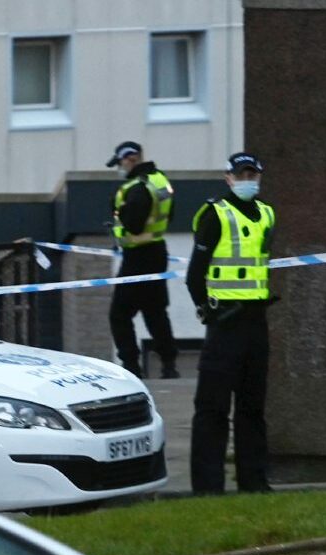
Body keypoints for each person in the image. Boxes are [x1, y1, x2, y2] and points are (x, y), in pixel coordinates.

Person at [187, 152, 278, 495]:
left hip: (256, 321)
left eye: (252, 174)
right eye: (240, 175)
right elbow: (195, 274)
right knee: (212, 408)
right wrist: (205, 311)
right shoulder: (215, 213)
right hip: (224, 322)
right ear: (228, 178)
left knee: (253, 408)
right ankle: (208, 488)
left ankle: (254, 482)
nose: (247, 180)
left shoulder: (267, 214)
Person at [106, 141, 179, 379]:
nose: (120, 167)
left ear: (130, 159)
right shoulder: (160, 181)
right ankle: (169, 365)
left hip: (137, 257)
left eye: (120, 162)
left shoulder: (137, 188)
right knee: (155, 311)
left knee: (119, 314)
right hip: (158, 252)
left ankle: (131, 365)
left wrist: (120, 217)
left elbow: (134, 225)